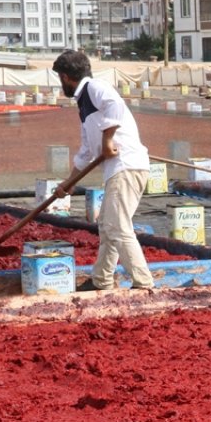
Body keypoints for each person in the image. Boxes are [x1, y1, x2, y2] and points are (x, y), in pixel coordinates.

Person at [52, 49, 155, 291]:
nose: (60, 84)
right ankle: (101, 280)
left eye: (60, 78)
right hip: (117, 170)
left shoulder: (94, 88)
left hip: (127, 166)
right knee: (108, 225)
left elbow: (115, 104)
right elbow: (87, 151)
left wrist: (108, 140)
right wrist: (69, 183)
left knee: (117, 225)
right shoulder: (84, 105)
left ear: (66, 77)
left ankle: (144, 284)